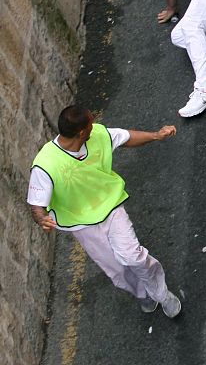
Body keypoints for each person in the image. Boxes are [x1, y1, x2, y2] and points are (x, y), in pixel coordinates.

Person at [28, 105, 181, 318]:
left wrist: (156, 136)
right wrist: (41, 218)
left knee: (133, 257)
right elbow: (36, 204)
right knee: (118, 272)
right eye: (90, 123)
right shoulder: (45, 164)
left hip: (111, 207)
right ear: (81, 132)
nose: (95, 124)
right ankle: (143, 294)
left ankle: (161, 294)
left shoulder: (97, 134)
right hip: (82, 224)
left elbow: (125, 137)